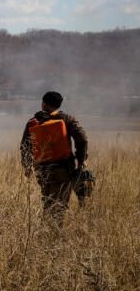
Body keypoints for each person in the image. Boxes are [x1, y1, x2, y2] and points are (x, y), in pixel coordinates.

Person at [20, 91, 88, 224]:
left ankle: (47, 229)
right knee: (60, 204)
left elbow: (25, 146)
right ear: (59, 104)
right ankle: (54, 233)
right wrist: (81, 160)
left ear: (43, 104)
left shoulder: (33, 122)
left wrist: (27, 167)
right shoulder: (67, 119)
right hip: (63, 169)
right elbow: (83, 139)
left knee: (47, 199)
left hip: (42, 170)